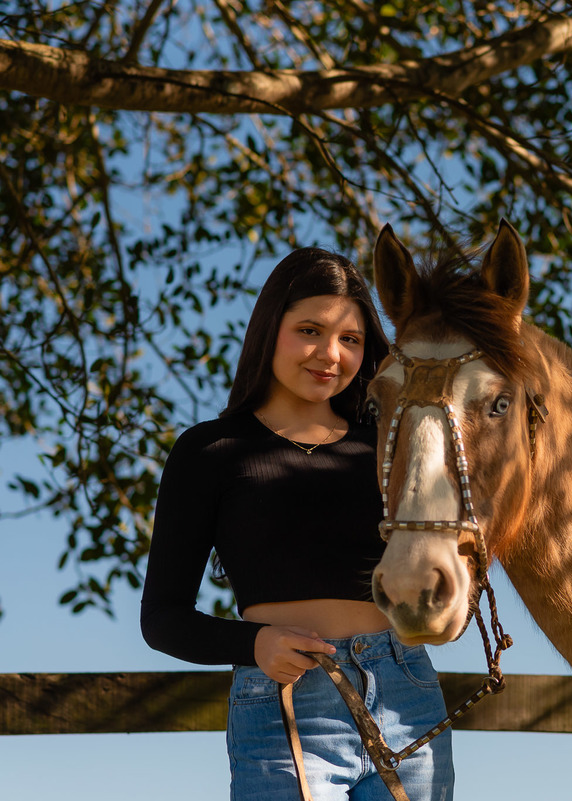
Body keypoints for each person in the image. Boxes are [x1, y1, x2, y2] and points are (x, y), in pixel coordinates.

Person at [141, 247, 453, 800]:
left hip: (407, 695)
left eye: (350, 339)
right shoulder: (210, 452)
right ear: (270, 329)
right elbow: (162, 619)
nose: (330, 354)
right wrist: (254, 644)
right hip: (283, 703)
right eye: (310, 330)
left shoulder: (388, 447)